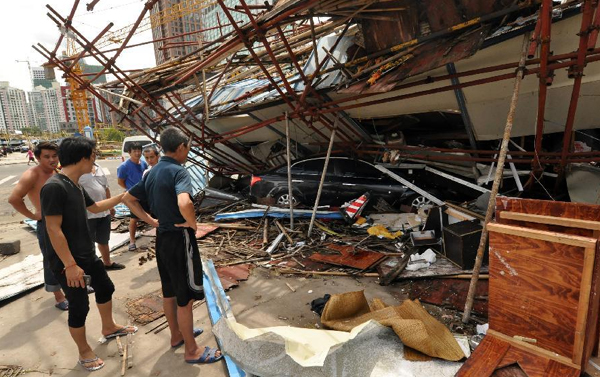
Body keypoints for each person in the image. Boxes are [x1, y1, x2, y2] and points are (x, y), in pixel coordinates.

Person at [123, 127, 222, 364]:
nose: (187, 151)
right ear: (180, 147)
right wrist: (193, 224)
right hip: (179, 239)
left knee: (169, 292)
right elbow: (184, 201)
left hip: (162, 239)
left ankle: (176, 336)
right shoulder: (179, 171)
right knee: (185, 298)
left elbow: (128, 198)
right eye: (187, 147)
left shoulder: (152, 172)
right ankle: (192, 350)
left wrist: (150, 221)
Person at [40, 137, 137, 372]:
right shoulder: (54, 187)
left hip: (86, 253)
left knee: (105, 287)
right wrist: (70, 265)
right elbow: (53, 229)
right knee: (79, 305)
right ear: (84, 158)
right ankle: (84, 351)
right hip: (68, 261)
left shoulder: (75, 184)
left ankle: (109, 327)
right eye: (93, 154)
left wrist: (122, 197)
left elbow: (95, 208)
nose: (95, 158)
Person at [8, 141, 68, 310]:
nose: (52, 160)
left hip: (65, 222)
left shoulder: (57, 171)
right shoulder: (32, 174)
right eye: (47, 157)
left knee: (70, 254)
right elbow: (14, 199)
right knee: (52, 260)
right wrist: (33, 215)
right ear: (37, 158)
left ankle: (74, 287)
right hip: (48, 224)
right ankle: (59, 296)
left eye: (54, 156)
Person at [80, 161, 125, 271]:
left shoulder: (99, 167)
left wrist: (111, 206)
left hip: (104, 212)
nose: (92, 156)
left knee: (103, 240)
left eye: (93, 153)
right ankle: (90, 268)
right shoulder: (79, 170)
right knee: (87, 244)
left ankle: (107, 263)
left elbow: (106, 188)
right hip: (88, 214)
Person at [117, 143, 147, 251]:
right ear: (129, 152)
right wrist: (131, 191)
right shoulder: (124, 166)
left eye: (139, 150)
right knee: (134, 218)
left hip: (145, 195)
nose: (137, 153)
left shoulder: (143, 163)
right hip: (133, 197)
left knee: (152, 215)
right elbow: (120, 182)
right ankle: (132, 241)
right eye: (134, 151)